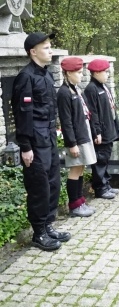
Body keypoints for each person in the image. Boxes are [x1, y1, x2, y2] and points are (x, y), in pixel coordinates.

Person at [11, 32, 71, 251]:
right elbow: (22, 114)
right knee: (39, 188)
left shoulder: (46, 75)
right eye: (45, 47)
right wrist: (25, 147)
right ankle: (39, 233)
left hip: (49, 139)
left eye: (50, 46)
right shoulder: (25, 77)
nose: (50, 50)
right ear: (32, 52)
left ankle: (48, 226)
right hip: (35, 143)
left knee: (53, 183)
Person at [57, 57, 96, 217]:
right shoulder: (64, 93)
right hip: (76, 138)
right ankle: (74, 205)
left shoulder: (75, 89)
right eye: (78, 73)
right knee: (75, 169)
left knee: (81, 168)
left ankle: (80, 201)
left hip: (83, 133)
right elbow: (66, 121)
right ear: (68, 73)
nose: (81, 76)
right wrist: (72, 143)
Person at [83, 59, 119, 199]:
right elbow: (92, 112)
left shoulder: (103, 86)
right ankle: (100, 188)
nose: (107, 74)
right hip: (101, 131)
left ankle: (106, 184)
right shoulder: (91, 89)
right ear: (95, 73)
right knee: (100, 159)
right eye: (105, 72)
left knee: (105, 158)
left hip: (109, 128)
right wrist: (97, 132)